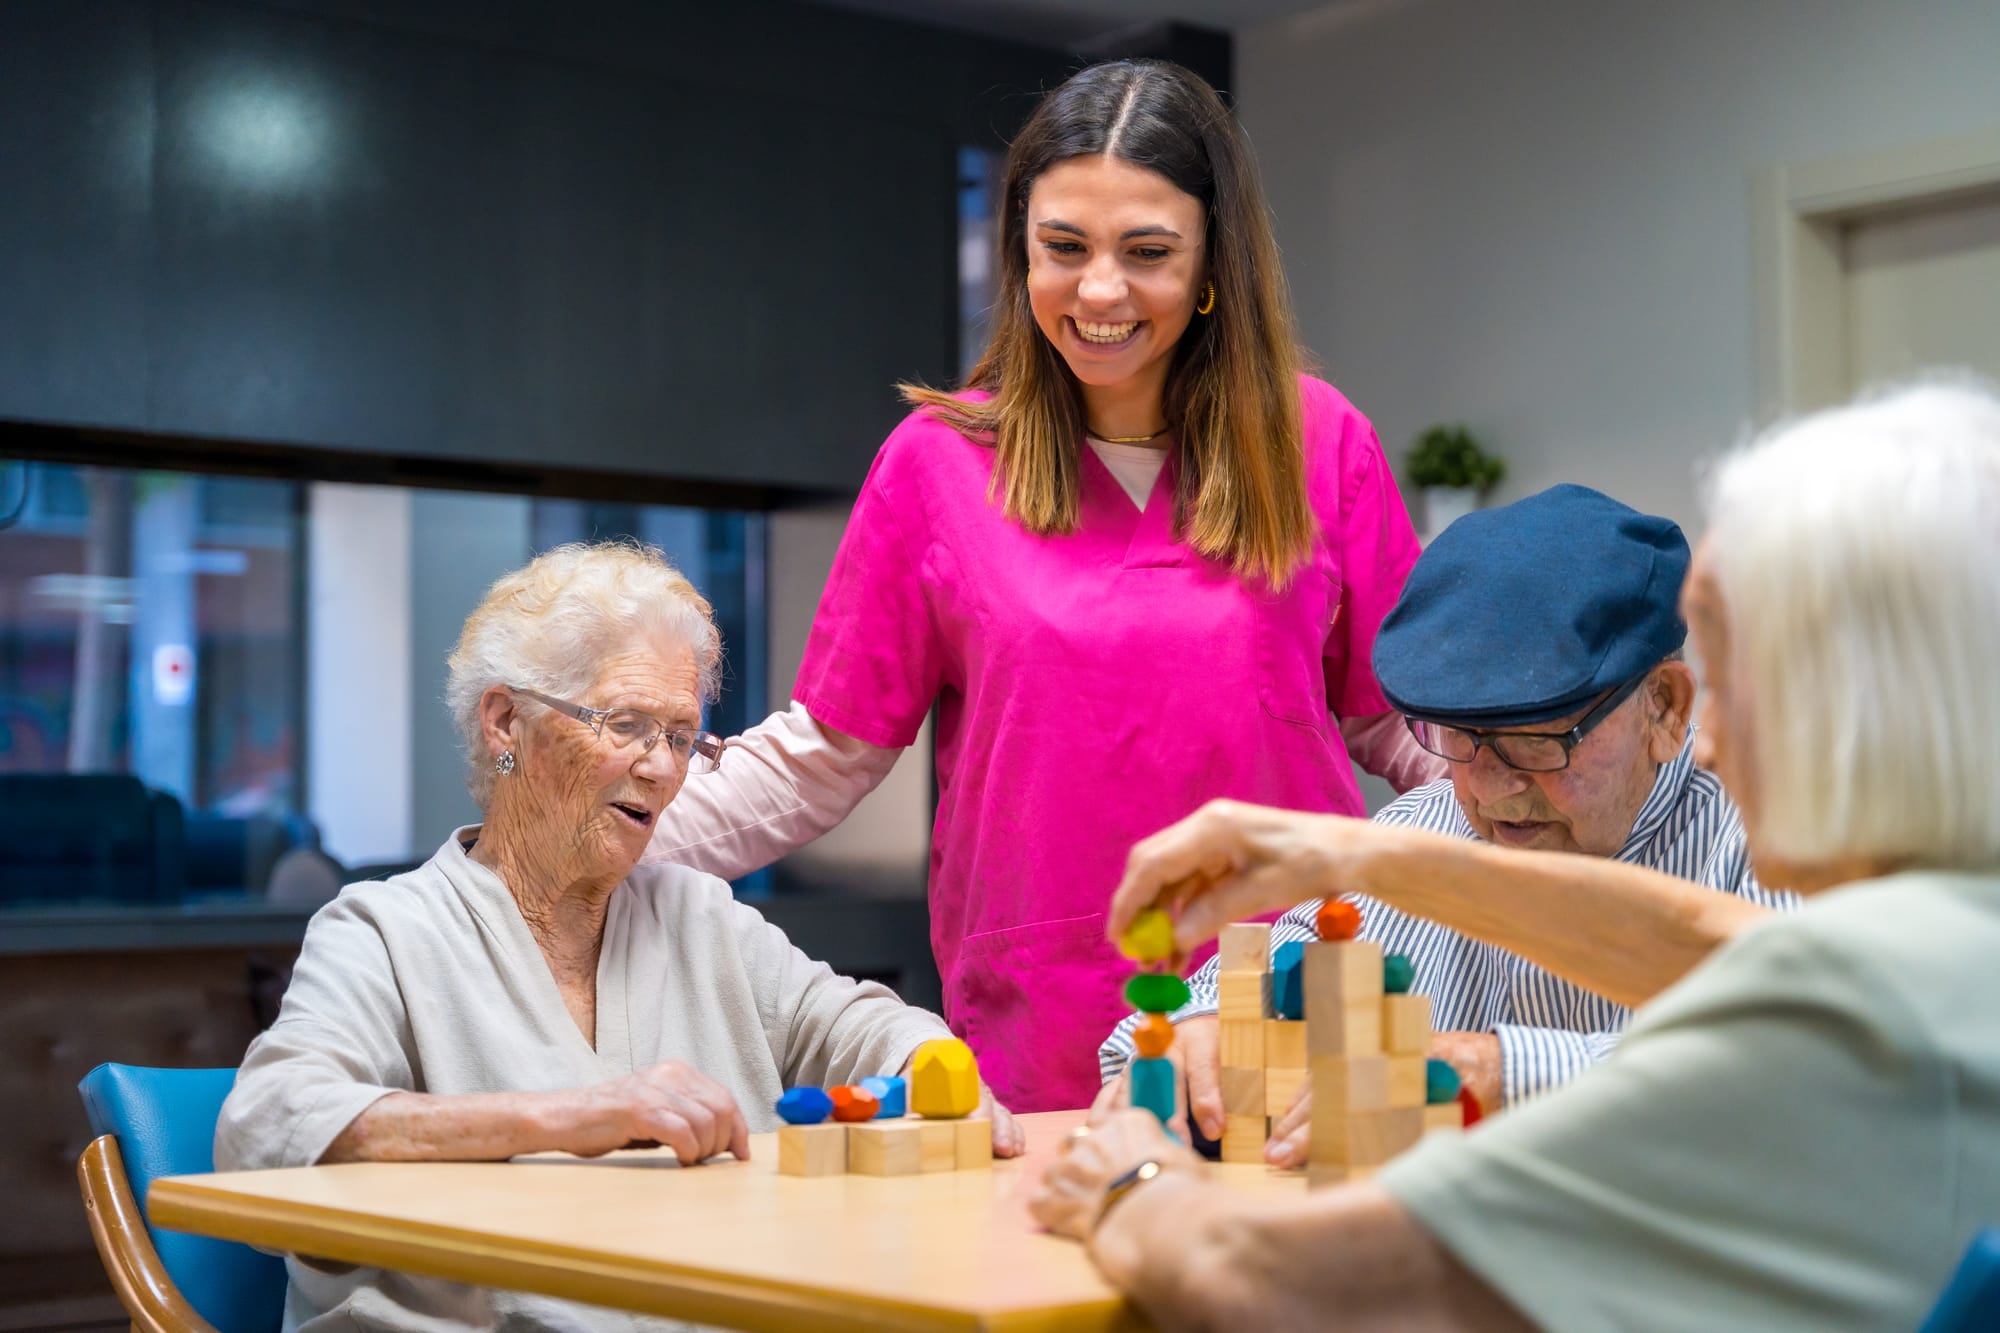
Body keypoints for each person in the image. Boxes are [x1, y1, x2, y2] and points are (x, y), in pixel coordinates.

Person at [1032, 379, 2000, 1331]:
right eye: (1455, 738)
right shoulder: (1951, 946)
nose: (1710, 740)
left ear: (1852, 706)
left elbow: (1286, 1287)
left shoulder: (1852, 1009)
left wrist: (1133, 1185)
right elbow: (1730, 951)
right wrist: (1354, 858)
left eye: (1735, 676)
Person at [642, 58, 1441, 1113]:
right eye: (1062, 248)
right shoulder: (936, 464)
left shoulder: (1318, 442)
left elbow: (1403, 736)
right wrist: (578, 851)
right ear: (1019, 251)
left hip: (1288, 999)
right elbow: (822, 755)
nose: (1098, 290)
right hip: (1042, 1021)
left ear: (1212, 265)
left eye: (1146, 252)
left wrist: (1544, 851)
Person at [217, 543, 1023, 1333]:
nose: (662, 768)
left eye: (680, 737)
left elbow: (857, 1023)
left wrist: (929, 1063)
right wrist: (568, 1118)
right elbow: (265, 1127)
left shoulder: (699, 915)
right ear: (505, 722)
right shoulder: (385, 931)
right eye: (628, 723)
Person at [1096, 485, 1794, 1159]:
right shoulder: (1423, 827)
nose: (1489, 789)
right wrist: (1193, 1032)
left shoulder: (1772, 847)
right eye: (1459, 735)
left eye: (1537, 740)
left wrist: (1497, 1070)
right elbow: (1221, 999)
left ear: (1665, 708)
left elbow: (1794, 1067)